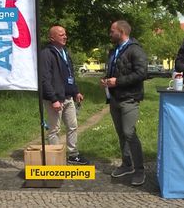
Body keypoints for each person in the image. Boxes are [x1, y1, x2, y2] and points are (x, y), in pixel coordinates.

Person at [100, 20, 148, 186]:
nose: (110, 33)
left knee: (129, 133)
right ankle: (127, 165)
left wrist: (117, 82)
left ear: (121, 31)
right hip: (114, 98)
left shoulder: (136, 49)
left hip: (129, 98)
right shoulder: (114, 50)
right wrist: (107, 80)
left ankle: (140, 170)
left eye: (112, 31)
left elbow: (142, 73)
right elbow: (115, 70)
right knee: (121, 134)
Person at [40, 25, 90, 165]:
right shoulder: (46, 54)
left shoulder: (64, 52)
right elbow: (45, 79)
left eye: (65, 34)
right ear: (52, 38)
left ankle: (73, 155)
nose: (65, 36)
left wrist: (76, 91)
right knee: (54, 129)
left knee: (73, 126)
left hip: (68, 98)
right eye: (61, 34)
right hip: (55, 99)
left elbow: (69, 75)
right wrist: (53, 99)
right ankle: (55, 158)